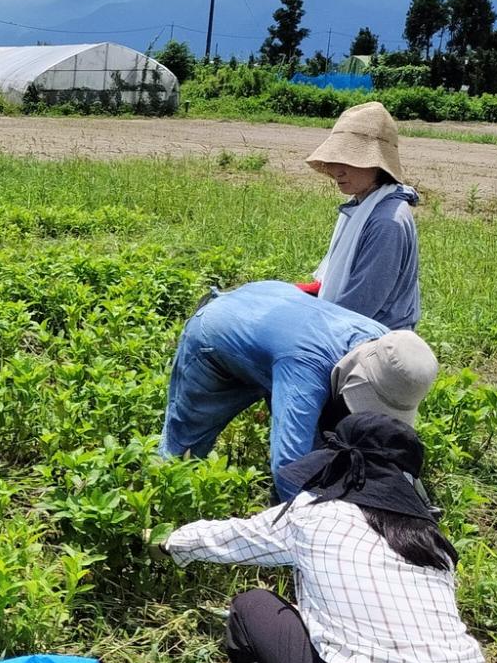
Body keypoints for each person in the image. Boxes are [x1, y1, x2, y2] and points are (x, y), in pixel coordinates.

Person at [162, 413, 491, 663]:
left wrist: (169, 542)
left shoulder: (317, 514)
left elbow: (232, 539)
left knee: (251, 607)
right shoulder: (428, 538)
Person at [159, 280, 437, 495]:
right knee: (184, 446)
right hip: (216, 334)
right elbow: (289, 468)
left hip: (273, 306)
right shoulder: (305, 368)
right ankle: (159, 509)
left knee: (316, 437)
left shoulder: (384, 342)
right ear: (357, 379)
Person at [296, 101, 421, 330]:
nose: (337, 171)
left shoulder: (386, 222)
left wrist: (309, 326)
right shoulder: (364, 204)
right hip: (355, 324)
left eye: (349, 160)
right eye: (335, 161)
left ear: (378, 165)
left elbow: (361, 304)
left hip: (376, 337)